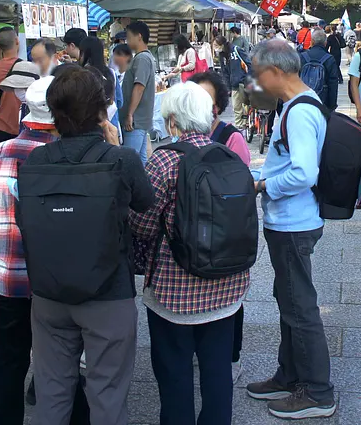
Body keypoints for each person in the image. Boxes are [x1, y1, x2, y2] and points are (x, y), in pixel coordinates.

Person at [21, 67, 154, 425]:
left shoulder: (36, 161)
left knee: (51, 393)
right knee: (107, 394)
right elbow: (146, 202)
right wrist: (117, 147)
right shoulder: (120, 159)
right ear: (101, 110)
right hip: (107, 292)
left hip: (49, 293)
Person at [0, 75, 91, 425]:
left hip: (6, 278)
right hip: (54, 282)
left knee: (8, 362)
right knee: (62, 360)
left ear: (25, 111)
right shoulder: (67, 158)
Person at [131, 82, 251, 425]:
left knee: (175, 376)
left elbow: (142, 223)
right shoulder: (228, 155)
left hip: (174, 294)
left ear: (172, 123)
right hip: (227, 288)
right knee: (217, 374)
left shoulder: (165, 161)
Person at [246, 39, 336, 420]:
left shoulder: (299, 111)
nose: (255, 80)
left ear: (277, 71)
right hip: (291, 220)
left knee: (299, 306)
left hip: (294, 222)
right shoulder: (295, 105)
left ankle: (317, 391)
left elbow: (303, 171)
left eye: (257, 73)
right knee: (288, 299)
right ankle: (289, 375)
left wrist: (264, 186)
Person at [189, 69, 252, 383]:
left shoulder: (231, 137)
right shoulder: (181, 138)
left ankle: (232, 356)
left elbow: (241, 189)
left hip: (225, 233)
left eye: (208, 99)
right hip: (192, 233)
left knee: (229, 300)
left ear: (218, 104)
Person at [122, 21, 157, 166]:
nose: (127, 41)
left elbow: (139, 87)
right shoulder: (144, 57)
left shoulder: (142, 58)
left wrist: (129, 114)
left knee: (129, 162)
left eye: (129, 37)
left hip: (135, 121)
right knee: (141, 161)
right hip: (140, 120)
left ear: (139, 37)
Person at [302, 28, 340, 111]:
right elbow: (333, 83)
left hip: (304, 100)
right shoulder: (329, 59)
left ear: (311, 42)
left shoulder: (302, 57)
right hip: (322, 101)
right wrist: (332, 105)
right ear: (325, 43)